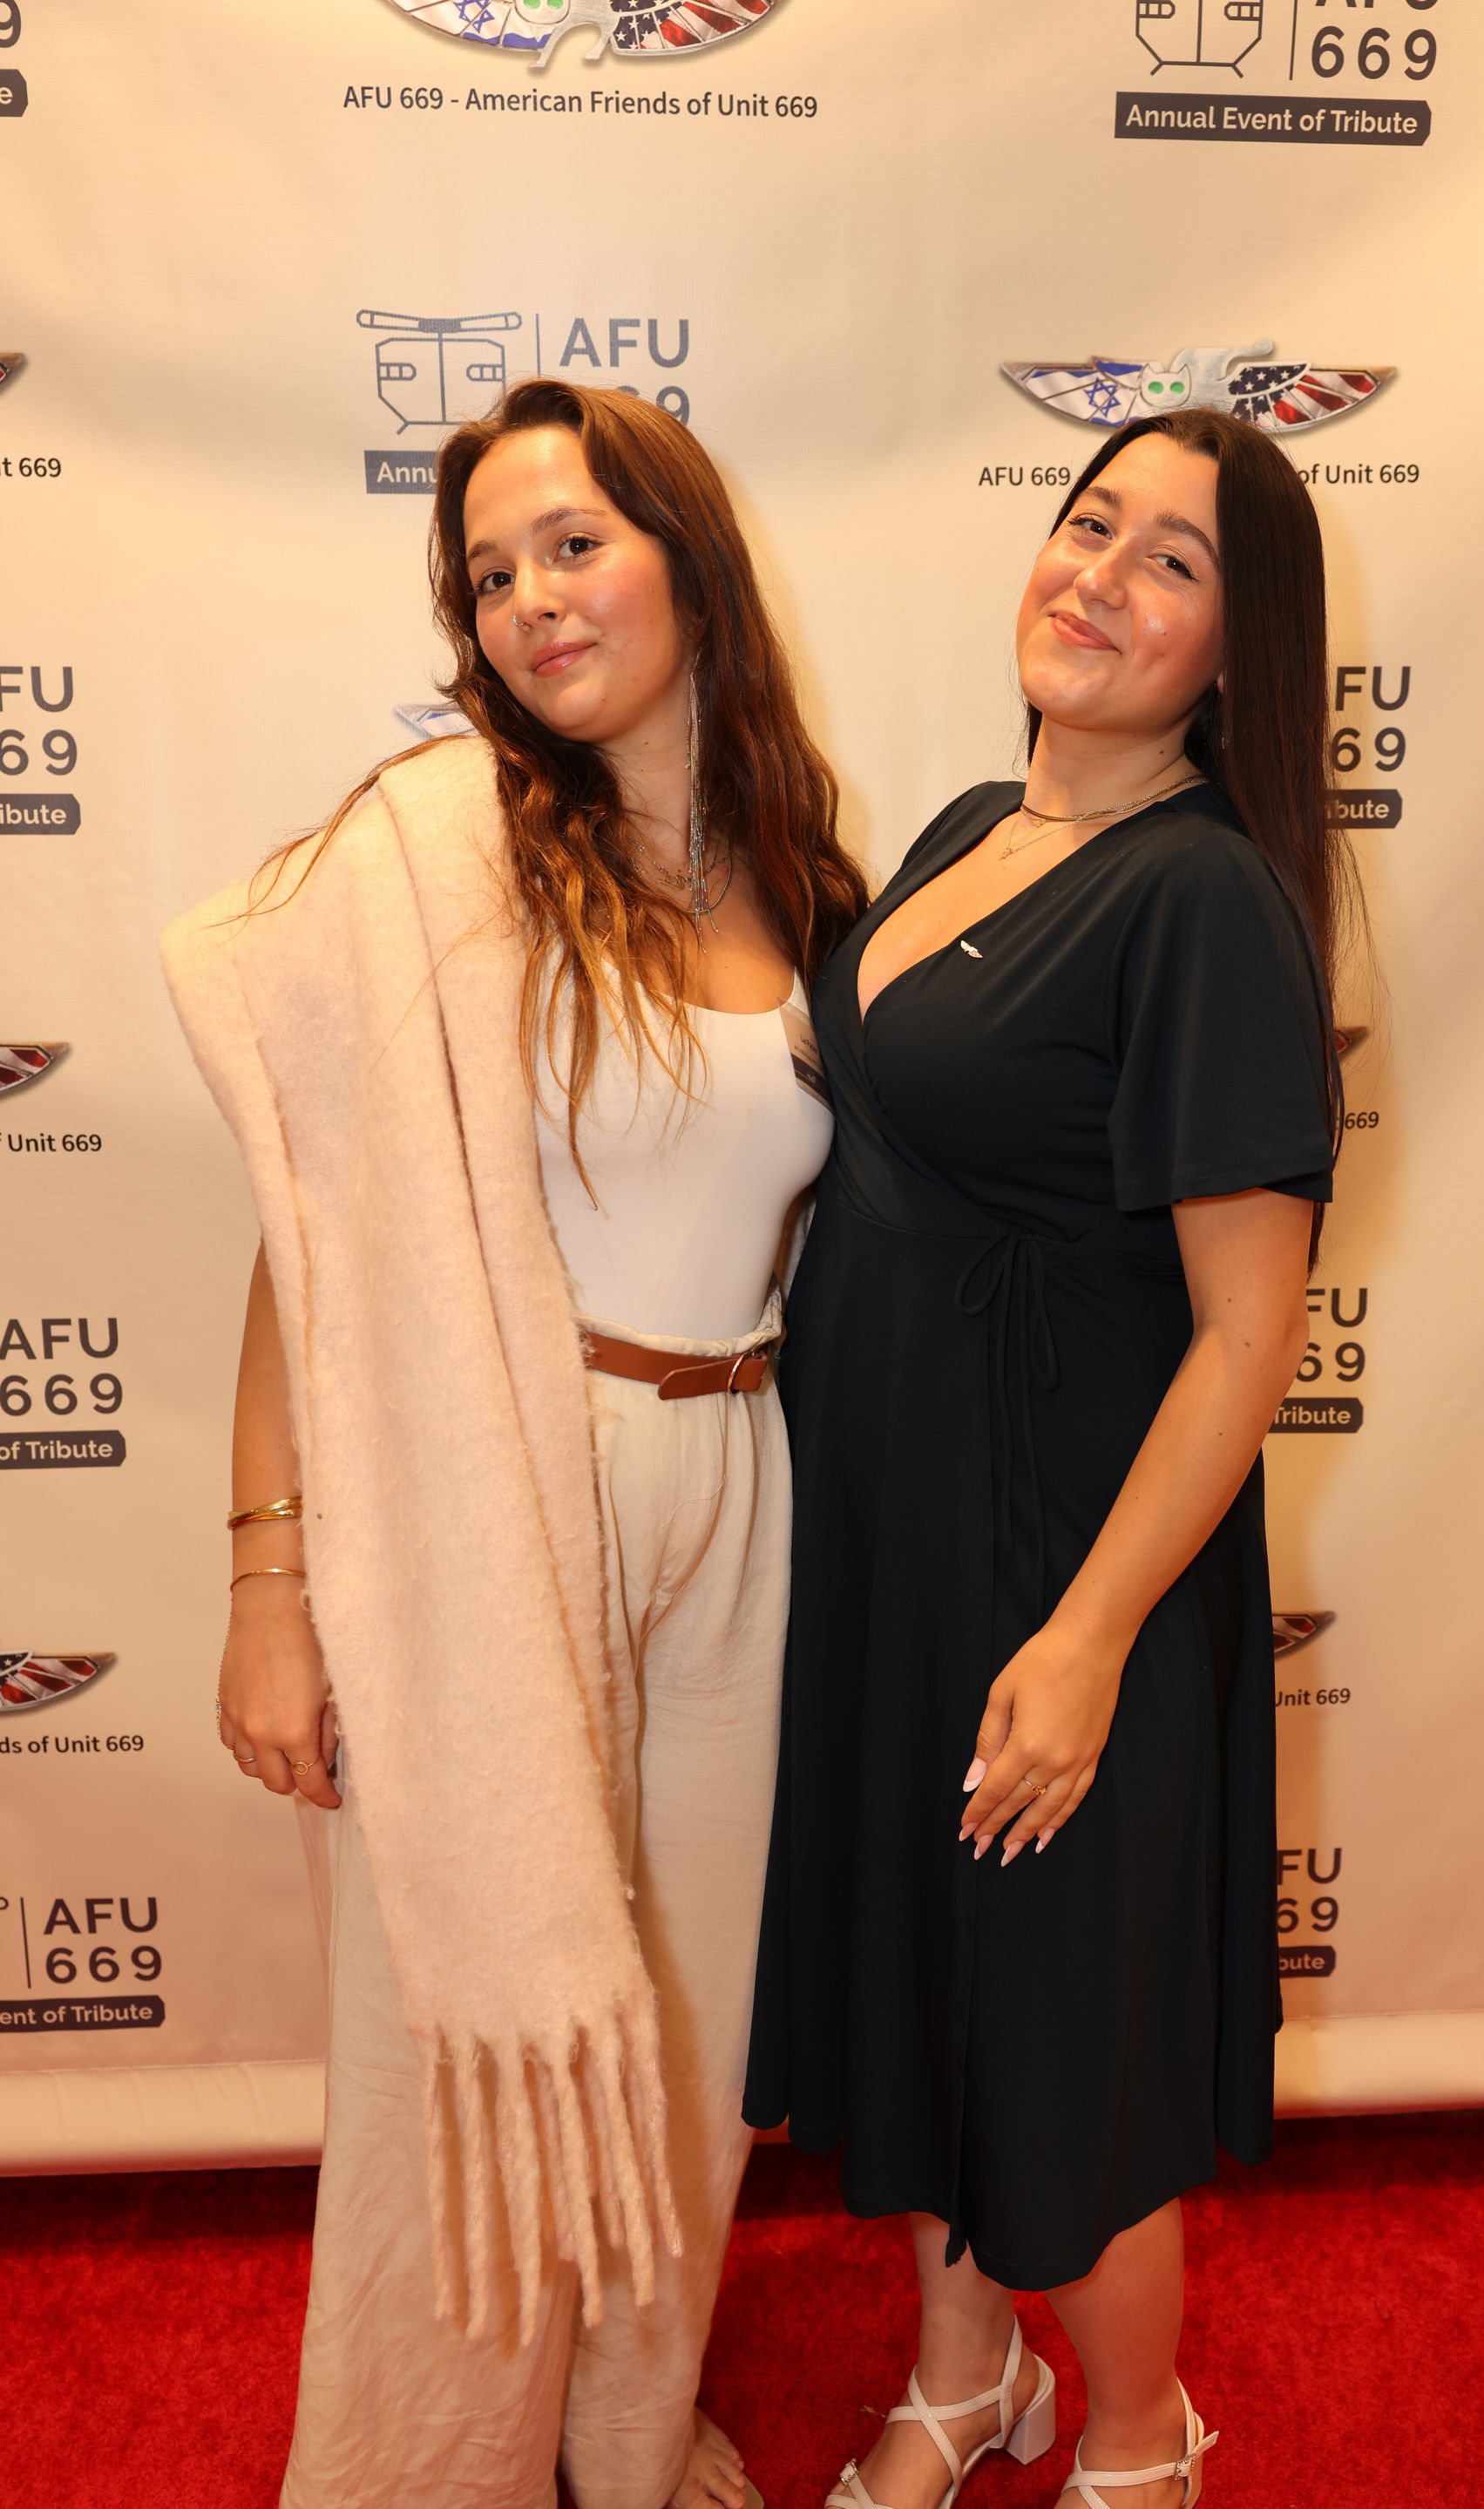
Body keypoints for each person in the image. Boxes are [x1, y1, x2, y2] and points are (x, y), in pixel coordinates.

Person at [164, 378, 866, 2509]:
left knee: (684, 2036)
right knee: (463, 2038)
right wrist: (269, 1583)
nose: (533, 600)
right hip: (496, 1495)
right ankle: (431, 2467)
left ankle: (625, 2431)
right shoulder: (440, 850)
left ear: (687, 559)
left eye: (575, 543)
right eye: (490, 571)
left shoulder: (805, 878)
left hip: (745, 1487)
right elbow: (315, 1241)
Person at [744, 409, 1350, 2509]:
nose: (1100, 575)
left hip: (1064, 1563)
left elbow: (1249, 1335)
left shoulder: (1205, 903)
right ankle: (961, 2375)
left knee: (1057, 2048)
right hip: (899, 1544)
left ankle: (1140, 2435)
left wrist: (1087, 1640)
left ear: (1237, 649)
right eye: (1092, 524)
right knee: (934, 1991)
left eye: (1172, 560)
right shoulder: (963, 831)